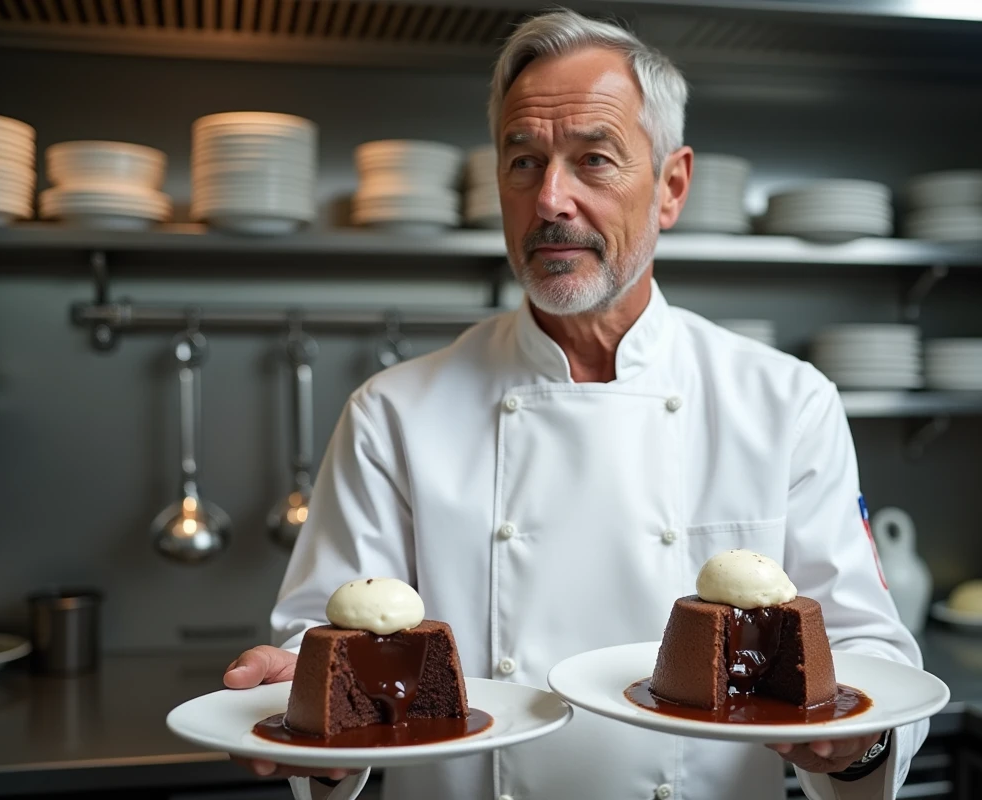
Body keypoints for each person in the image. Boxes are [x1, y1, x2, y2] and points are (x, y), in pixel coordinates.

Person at [224, 9, 927, 800]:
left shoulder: (786, 403)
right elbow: (322, 649)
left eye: (593, 160)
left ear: (671, 186)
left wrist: (862, 744)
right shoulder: (393, 414)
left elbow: (870, 653)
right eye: (522, 162)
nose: (550, 198)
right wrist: (301, 705)